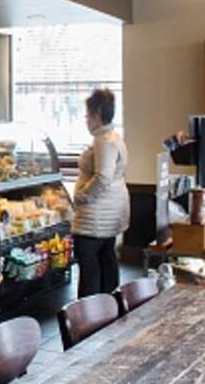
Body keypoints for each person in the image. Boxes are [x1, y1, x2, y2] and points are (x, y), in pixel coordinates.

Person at [72, 88, 129, 298]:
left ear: (96, 115)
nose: (86, 120)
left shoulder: (104, 140)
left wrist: (82, 197)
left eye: (87, 115)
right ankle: (110, 307)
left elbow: (103, 176)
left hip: (95, 217)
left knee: (89, 265)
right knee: (106, 259)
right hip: (108, 212)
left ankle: (89, 311)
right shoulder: (112, 137)